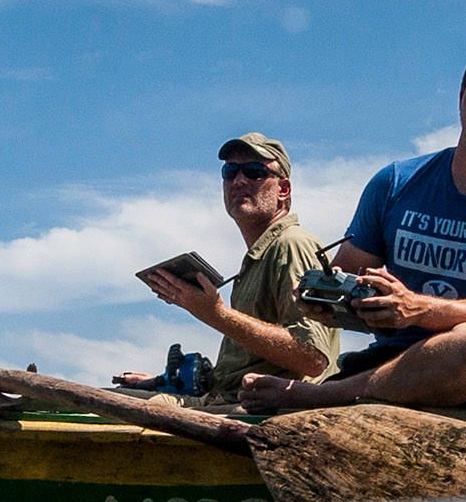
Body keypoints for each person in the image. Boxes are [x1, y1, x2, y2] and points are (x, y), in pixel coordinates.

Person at [239, 40, 466, 416]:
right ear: (462, 95)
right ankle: (351, 393)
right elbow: (349, 271)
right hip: (394, 360)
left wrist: (419, 309)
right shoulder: (396, 182)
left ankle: (320, 396)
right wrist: (326, 298)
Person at [116, 133, 338, 405]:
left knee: (94, 409)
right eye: (230, 172)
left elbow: (312, 358)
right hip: (226, 398)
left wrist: (216, 313)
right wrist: (159, 382)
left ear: (283, 189)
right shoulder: (260, 255)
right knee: (93, 401)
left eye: (255, 172)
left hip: (267, 412)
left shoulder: (292, 244)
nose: (239, 180)